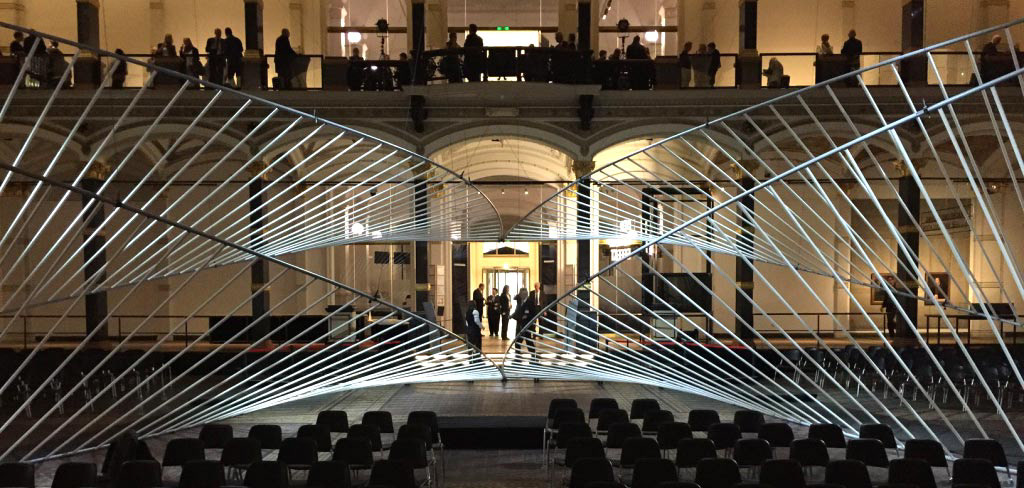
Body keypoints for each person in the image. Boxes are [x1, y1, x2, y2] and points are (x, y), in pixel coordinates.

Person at [512, 287, 534, 358]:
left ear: (525, 294)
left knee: (528, 340)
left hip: (527, 325)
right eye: (520, 294)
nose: (520, 295)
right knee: (518, 340)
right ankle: (517, 354)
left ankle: (533, 354)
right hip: (519, 324)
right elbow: (517, 311)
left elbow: (534, 313)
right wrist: (513, 316)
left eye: (522, 294)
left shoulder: (530, 302)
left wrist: (527, 316)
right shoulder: (520, 301)